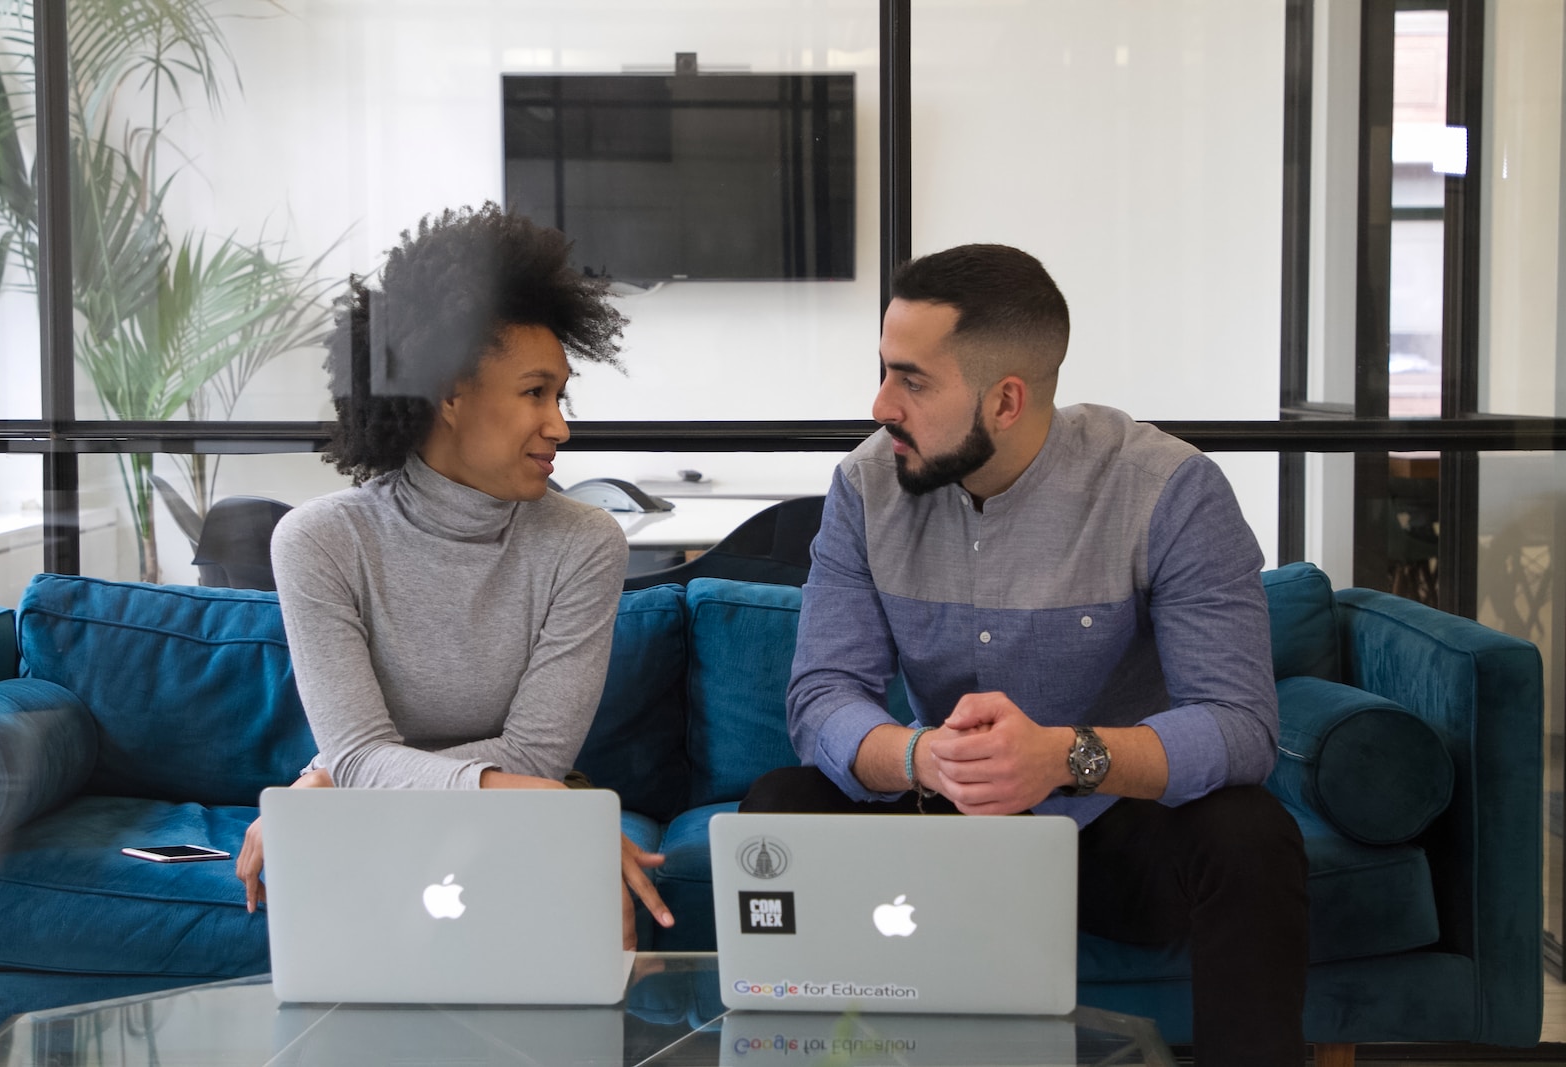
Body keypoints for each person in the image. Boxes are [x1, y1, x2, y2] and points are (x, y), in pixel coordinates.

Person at [740, 244, 1307, 1066]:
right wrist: (922, 754)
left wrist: (1062, 757)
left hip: (1110, 823)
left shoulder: (1166, 490)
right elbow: (824, 692)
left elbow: (1241, 726)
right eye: (884, 371)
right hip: (943, 814)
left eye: (913, 380)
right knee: (781, 803)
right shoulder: (865, 488)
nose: (880, 403)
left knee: (1249, 834)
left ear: (1005, 400)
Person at [234, 203, 674, 949]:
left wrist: (339, 782)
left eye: (560, 396)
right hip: (512, 800)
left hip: (519, 796)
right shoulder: (319, 541)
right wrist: (352, 769)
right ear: (448, 393)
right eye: (536, 392)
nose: (561, 425)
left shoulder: (585, 541)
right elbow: (360, 749)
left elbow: (538, 756)